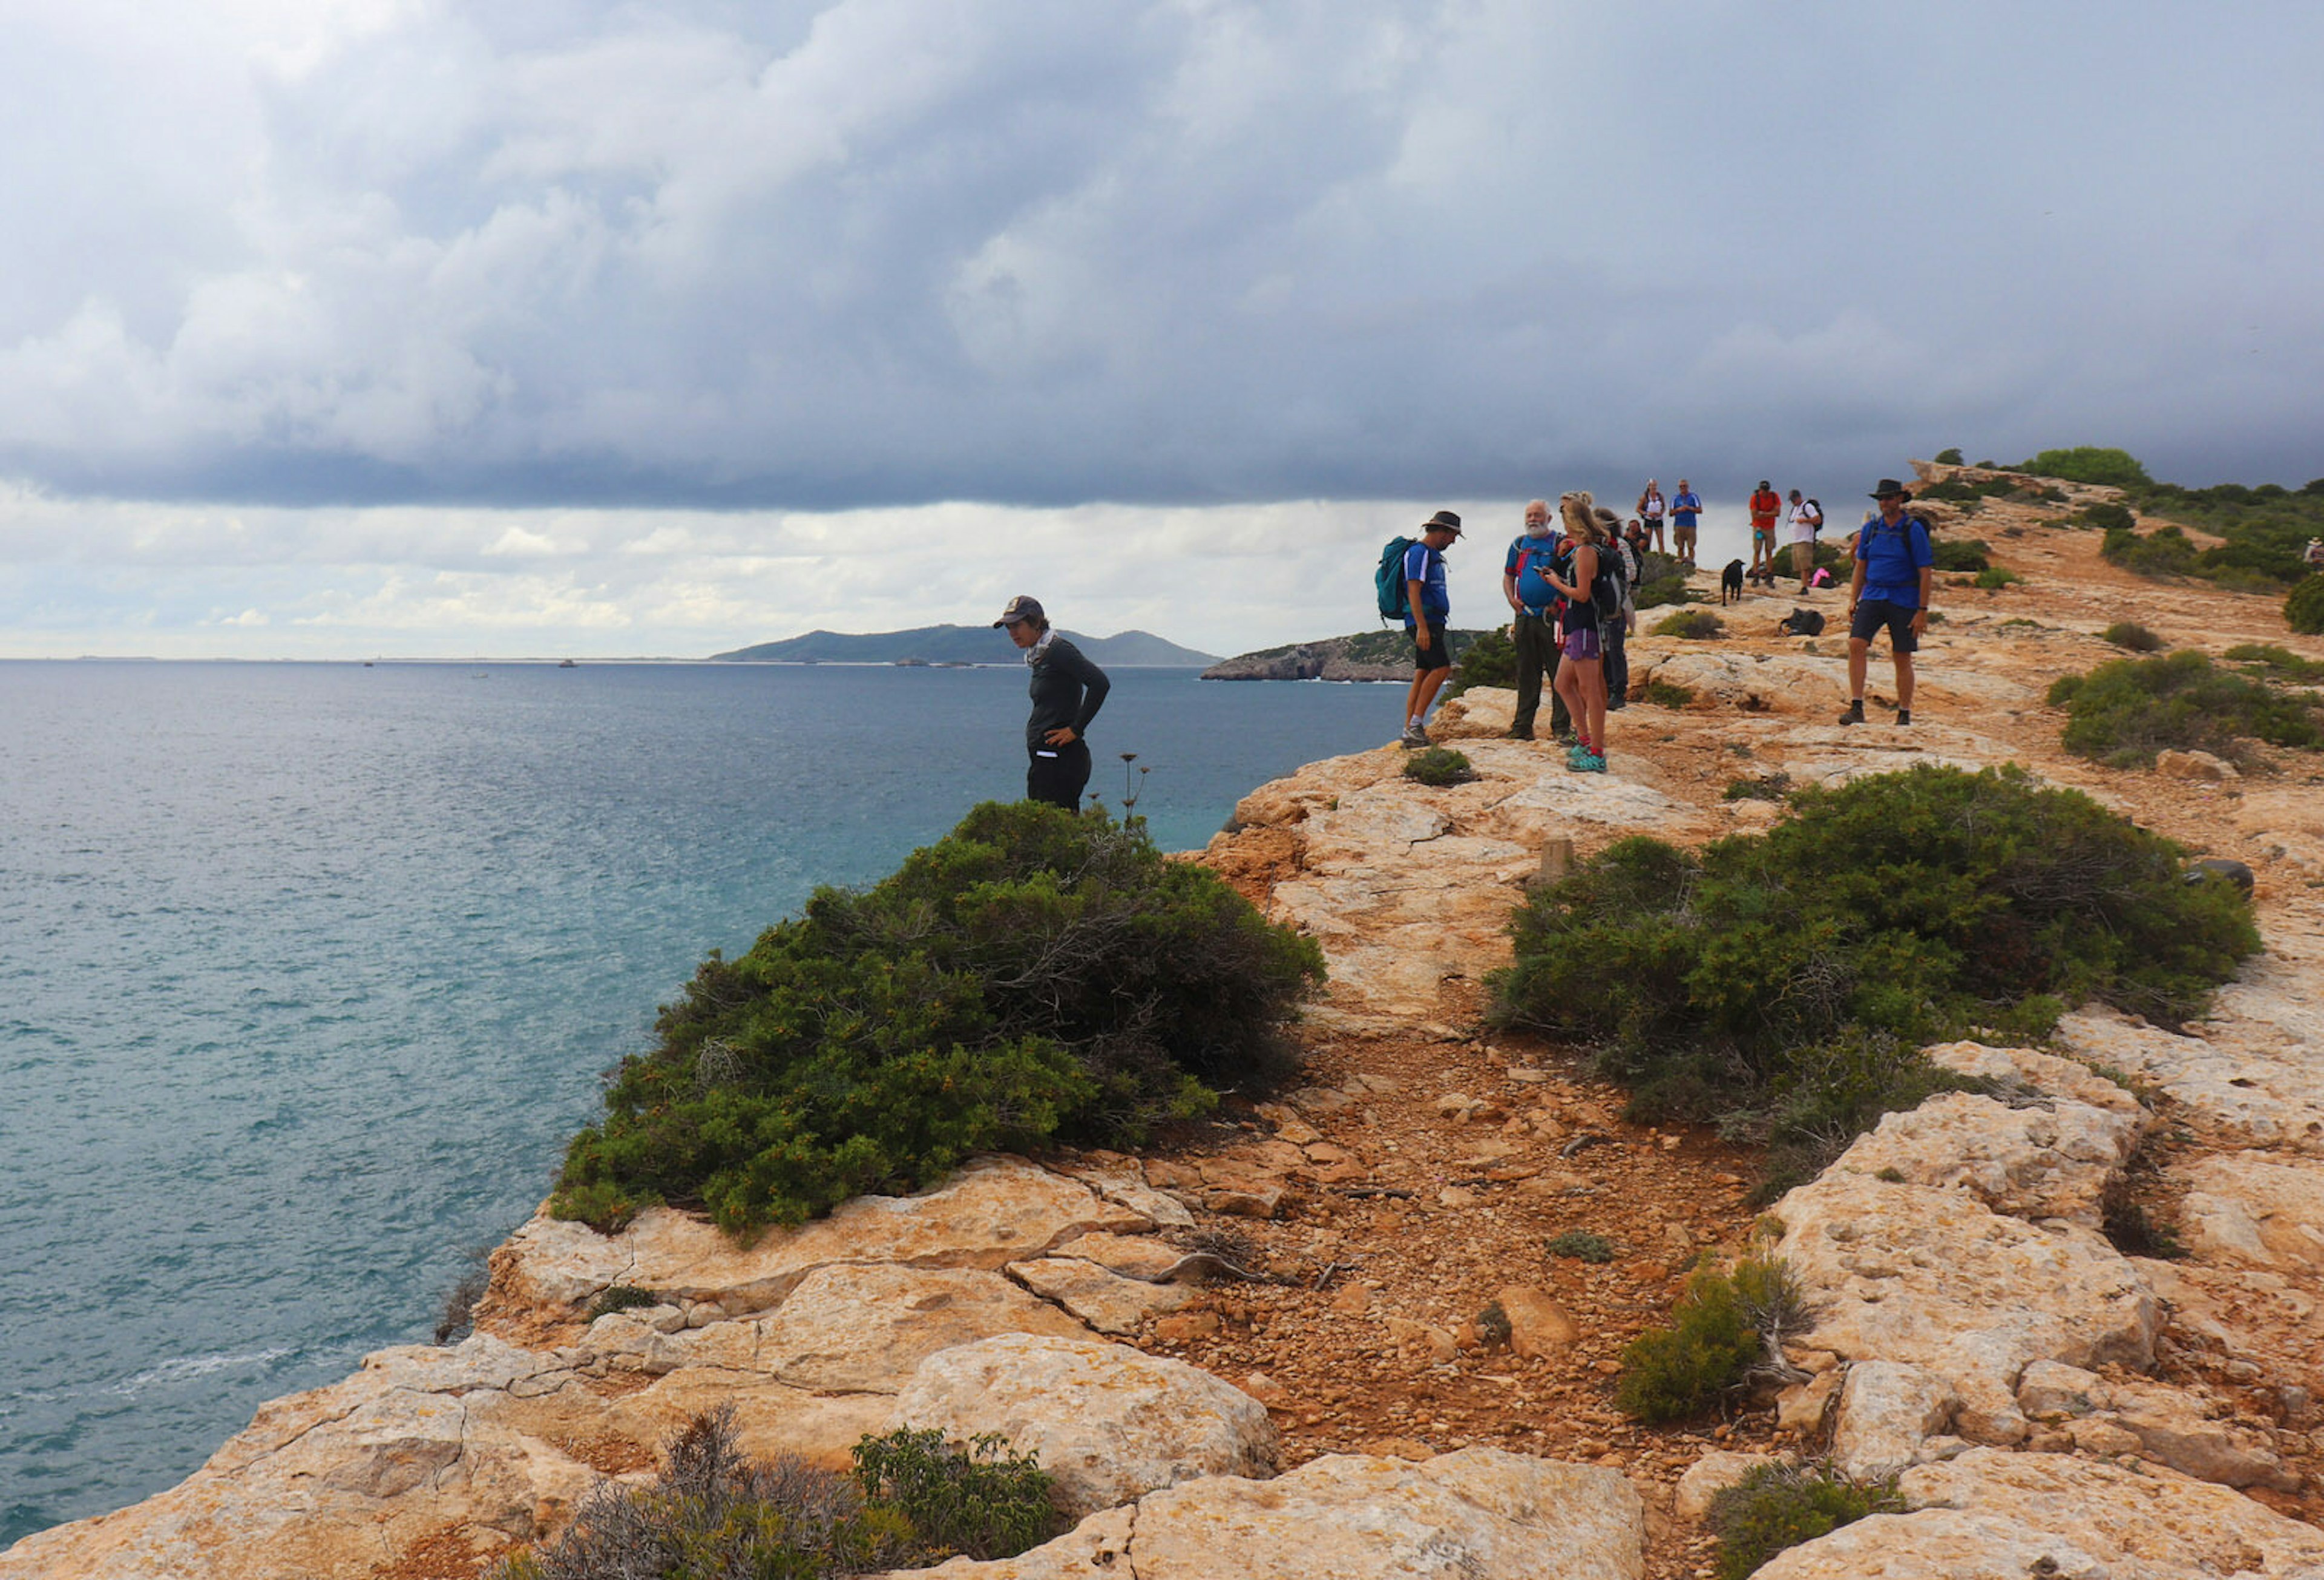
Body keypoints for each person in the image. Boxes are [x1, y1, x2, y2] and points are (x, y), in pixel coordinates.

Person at [994, 595, 1110, 809]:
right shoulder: (1040, 655)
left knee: (1051, 828)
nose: (1012, 633)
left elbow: (1100, 684)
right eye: (1008, 627)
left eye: (1017, 626)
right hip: (1047, 757)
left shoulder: (1058, 651)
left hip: (1060, 759)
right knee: (1046, 826)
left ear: (1037, 623)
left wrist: (1076, 729)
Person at [1840, 480, 1936, 727]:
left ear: (1900, 500)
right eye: (1881, 499)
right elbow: (1861, 565)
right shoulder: (1872, 529)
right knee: (1856, 644)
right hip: (1873, 595)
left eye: (1890, 498)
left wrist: (1922, 611)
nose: (1885, 503)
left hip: (1904, 598)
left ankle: (1904, 713)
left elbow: (1925, 571)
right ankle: (1857, 706)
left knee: (1902, 655)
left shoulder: (1912, 530)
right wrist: (1853, 598)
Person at [1544, 493, 1610, 772]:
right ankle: (1584, 740)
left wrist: (1555, 583)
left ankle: (1596, 752)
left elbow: (1582, 594)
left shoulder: (1585, 552)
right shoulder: (1581, 550)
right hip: (1576, 625)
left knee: (1589, 689)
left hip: (1585, 626)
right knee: (1562, 683)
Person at [1502, 499, 1569, 741]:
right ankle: (1522, 727)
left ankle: (1561, 728)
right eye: (1529, 515)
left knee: (1559, 673)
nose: (1533, 519)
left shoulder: (1560, 543)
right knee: (1527, 673)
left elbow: (1572, 577)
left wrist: (1559, 602)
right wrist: (1512, 600)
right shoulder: (1519, 545)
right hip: (1526, 618)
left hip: (1553, 619)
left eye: (1538, 515)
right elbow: (1509, 576)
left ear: (1549, 519)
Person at [1399, 509, 1463, 747]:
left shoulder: (1430, 554)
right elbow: (1413, 590)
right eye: (1453, 535)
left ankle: (1409, 729)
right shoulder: (1420, 553)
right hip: (1424, 622)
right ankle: (1415, 724)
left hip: (1431, 621)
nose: (1454, 541)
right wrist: (1422, 628)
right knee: (1442, 668)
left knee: (1423, 672)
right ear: (1441, 532)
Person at [1600, 508, 1638, 712]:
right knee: (1603, 648)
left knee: (1615, 647)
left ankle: (1618, 690)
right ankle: (1605, 688)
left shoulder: (1620, 545)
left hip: (1619, 603)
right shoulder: (1595, 547)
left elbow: (1631, 572)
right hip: (1600, 606)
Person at [1787, 488, 1823, 592]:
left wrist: (1805, 520)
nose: (1793, 502)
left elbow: (1817, 519)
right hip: (1796, 540)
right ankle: (1804, 585)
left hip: (1805, 539)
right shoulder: (1795, 509)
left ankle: (1805, 587)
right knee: (1799, 565)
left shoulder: (1807, 507)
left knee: (1805, 565)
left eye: (1794, 499)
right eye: (1791, 500)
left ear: (1799, 497)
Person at [1748, 480, 1782, 580]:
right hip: (1758, 527)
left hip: (1770, 527)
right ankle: (1756, 574)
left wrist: (1763, 514)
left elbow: (1778, 513)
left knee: (1769, 551)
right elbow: (1754, 514)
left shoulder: (1774, 496)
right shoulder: (1755, 498)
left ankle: (1769, 574)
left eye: (1766, 491)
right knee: (1757, 551)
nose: (1765, 493)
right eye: (1763, 490)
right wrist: (1769, 513)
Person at [1669, 479, 1703, 568]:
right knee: (1680, 546)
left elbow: (1700, 510)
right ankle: (1680, 564)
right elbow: (1671, 513)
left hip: (1690, 524)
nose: (1683, 488)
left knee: (1691, 546)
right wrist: (1679, 510)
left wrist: (1689, 508)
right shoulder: (1675, 498)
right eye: (1681, 487)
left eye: (1684, 486)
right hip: (1679, 524)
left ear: (1688, 487)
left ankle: (1691, 563)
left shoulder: (1693, 497)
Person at [1637, 479, 1667, 554]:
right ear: (1649, 487)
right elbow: (1638, 509)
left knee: (1661, 540)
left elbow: (1664, 507)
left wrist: (1661, 513)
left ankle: (1662, 556)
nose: (1654, 488)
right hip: (1649, 520)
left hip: (1658, 520)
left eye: (1655, 486)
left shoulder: (1660, 496)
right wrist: (1647, 514)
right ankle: (1647, 555)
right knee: (1648, 540)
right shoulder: (1645, 497)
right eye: (1652, 486)